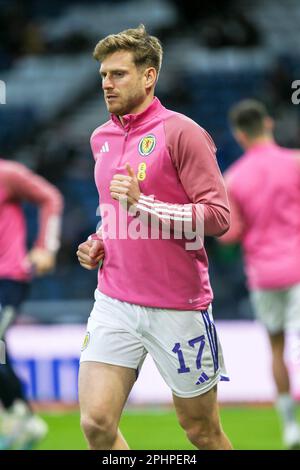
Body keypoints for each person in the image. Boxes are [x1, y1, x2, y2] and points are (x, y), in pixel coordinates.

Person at [77, 24, 232, 450]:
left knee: (201, 431)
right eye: (103, 75)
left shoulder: (182, 132)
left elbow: (218, 218)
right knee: (95, 423)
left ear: (149, 76)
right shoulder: (100, 139)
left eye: (118, 74)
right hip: (114, 302)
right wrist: (100, 242)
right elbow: (114, 216)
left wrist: (143, 204)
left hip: (177, 306)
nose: (107, 83)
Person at [219, 99, 300, 450]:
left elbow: (230, 234)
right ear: (268, 123)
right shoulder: (296, 163)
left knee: (277, 348)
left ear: (239, 135)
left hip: (263, 275)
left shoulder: (233, 177)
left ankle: (290, 427)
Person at [0, 158, 63, 449]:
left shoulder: (7, 173)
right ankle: (21, 415)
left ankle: (19, 415)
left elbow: (51, 197)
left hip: (8, 279)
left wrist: (45, 247)